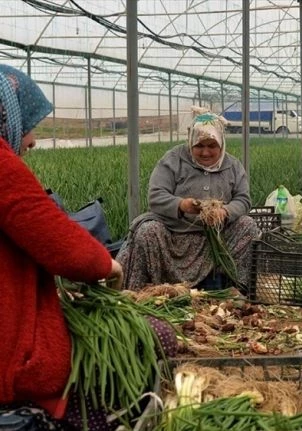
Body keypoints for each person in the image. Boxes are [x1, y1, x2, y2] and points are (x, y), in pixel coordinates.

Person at [0, 65, 139, 428]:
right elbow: (58, 242)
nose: (31, 141)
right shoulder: (2, 167)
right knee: (148, 342)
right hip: (8, 355)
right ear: (8, 115)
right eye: (30, 125)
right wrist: (109, 265)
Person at [117, 109, 259, 290]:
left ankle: (234, 288)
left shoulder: (233, 166)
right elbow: (156, 195)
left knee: (248, 225)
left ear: (221, 144)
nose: (205, 152)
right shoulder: (173, 160)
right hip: (175, 237)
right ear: (190, 142)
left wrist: (224, 212)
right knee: (148, 230)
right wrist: (182, 205)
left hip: (218, 238)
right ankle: (159, 289)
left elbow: (243, 199)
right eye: (199, 145)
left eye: (212, 146)